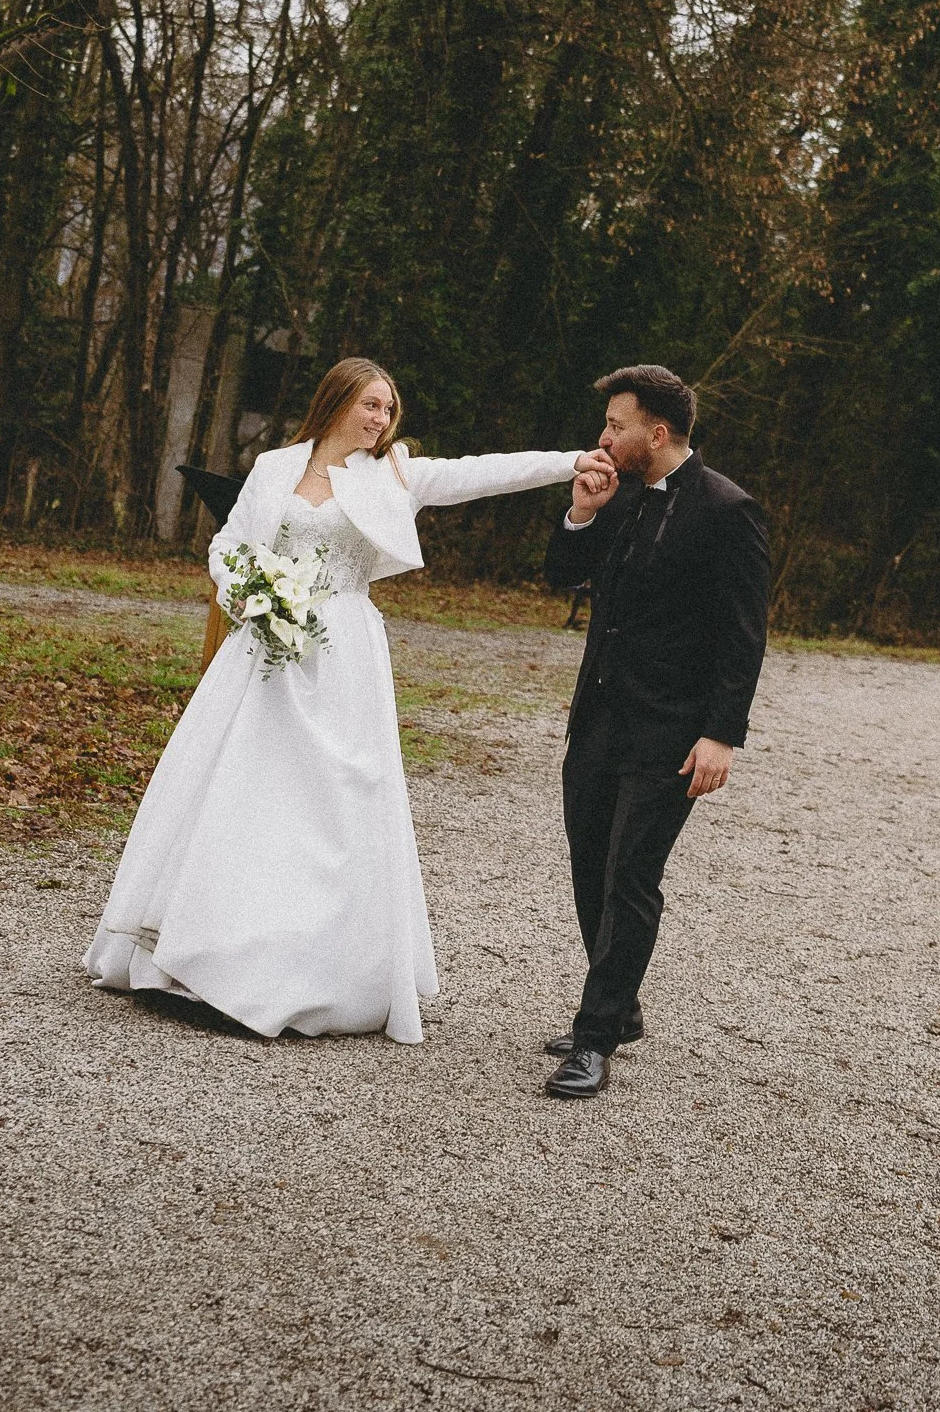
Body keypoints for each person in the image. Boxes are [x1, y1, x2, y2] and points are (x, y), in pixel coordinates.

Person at [85, 358, 614, 1045]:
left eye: (389, 410)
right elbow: (231, 544)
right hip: (265, 654)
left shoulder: (393, 473)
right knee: (246, 790)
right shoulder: (276, 466)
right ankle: (198, 955)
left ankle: (310, 970)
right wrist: (246, 591)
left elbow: (482, 471)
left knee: (331, 800)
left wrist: (572, 459)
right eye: (370, 406)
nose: (381, 420)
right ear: (335, 402)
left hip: (343, 655)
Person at [542, 365, 769, 1098]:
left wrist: (721, 735)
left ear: (658, 431)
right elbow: (560, 575)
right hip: (599, 719)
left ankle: (596, 1036)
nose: (604, 436)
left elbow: (744, 638)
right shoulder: (618, 494)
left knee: (631, 877)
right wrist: (580, 514)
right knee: (588, 868)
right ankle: (621, 1008)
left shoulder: (729, 510)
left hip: (672, 734)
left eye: (616, 424)